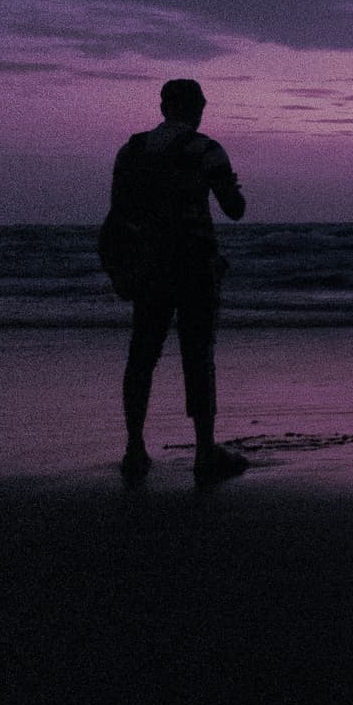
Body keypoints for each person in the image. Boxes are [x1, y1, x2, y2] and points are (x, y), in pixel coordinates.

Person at [112, 79, 246, 479]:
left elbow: (120, 212)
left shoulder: (132, 150)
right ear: (197, 108)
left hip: (150, 267)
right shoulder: (205, 149)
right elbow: (234, 209)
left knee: (142, 356)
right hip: (194, 267)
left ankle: (134, 448)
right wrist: (230, 186)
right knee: (198, 355)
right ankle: (205, 451)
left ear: (163, 107)